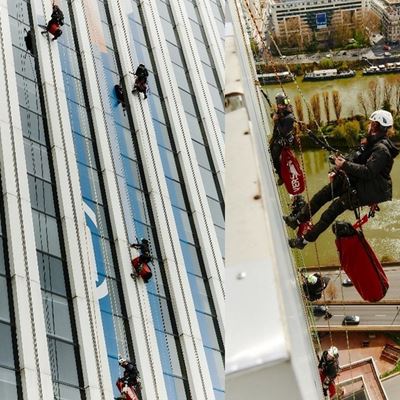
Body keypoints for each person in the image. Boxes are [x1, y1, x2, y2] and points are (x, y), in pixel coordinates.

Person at [284, 109, 399, 249]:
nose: (368, 125)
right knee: (322, 195)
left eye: (371, 123)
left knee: (330, 212)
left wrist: (344, 165)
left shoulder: (381, 150)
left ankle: (303, 241)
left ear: (375, 126)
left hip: (362, 190)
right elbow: (354, 157)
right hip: (354, 180)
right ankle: (297, 220)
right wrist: (337, 168)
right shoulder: (370, 142)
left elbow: (369, 172)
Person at [270, 92, 296, 185]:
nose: (280, 106)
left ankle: (282, 177)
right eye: (279, 105)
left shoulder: (289, 117)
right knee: (271, 149)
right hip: (278, 137)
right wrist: (274, 116)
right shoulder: (281, 111)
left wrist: (276, 121)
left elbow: (283, 132)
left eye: (281, 105)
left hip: (284, 140)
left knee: (274, 157)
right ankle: (280, 170)